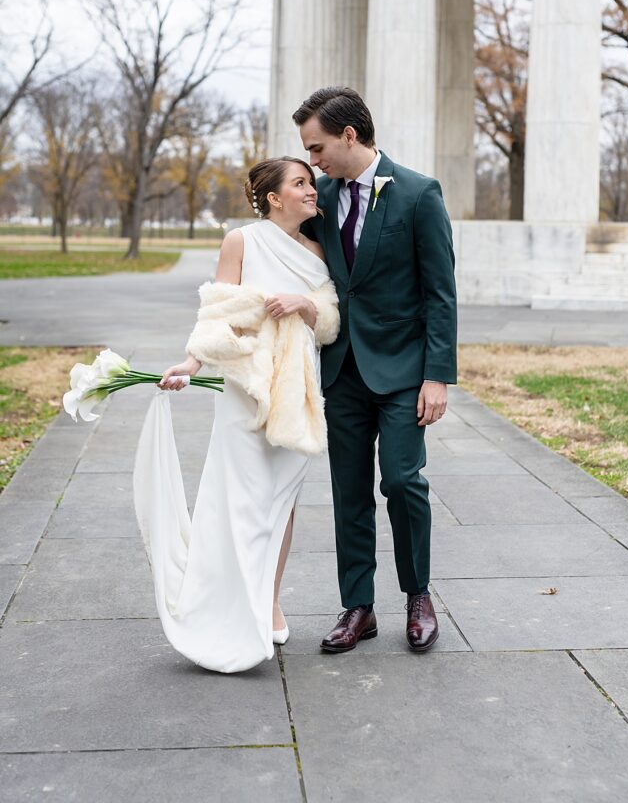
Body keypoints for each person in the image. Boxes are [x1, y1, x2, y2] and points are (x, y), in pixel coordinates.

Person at [133, 157, 340, 673]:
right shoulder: (241, 242)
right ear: (274, 197)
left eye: (310, 183)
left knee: (282, 501)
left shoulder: (317, 249)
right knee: (242, 497)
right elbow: (218, 313)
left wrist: (305, 306)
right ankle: (228, 604)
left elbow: (331, 321)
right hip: (247, 388)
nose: (311, 190)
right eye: (300, 183)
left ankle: (267, 599)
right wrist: (189, 362)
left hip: (298, 389)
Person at [295, 87, 457, 654]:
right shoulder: (317, 196)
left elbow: (441, 294)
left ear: (348, 135)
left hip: (404, 371)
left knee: (404, 481)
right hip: (341, 368)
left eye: (317, 148)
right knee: (348, 490)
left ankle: (417, 595)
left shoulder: (417, 193)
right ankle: (358, 606)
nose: (312, 162)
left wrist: (437, 375)